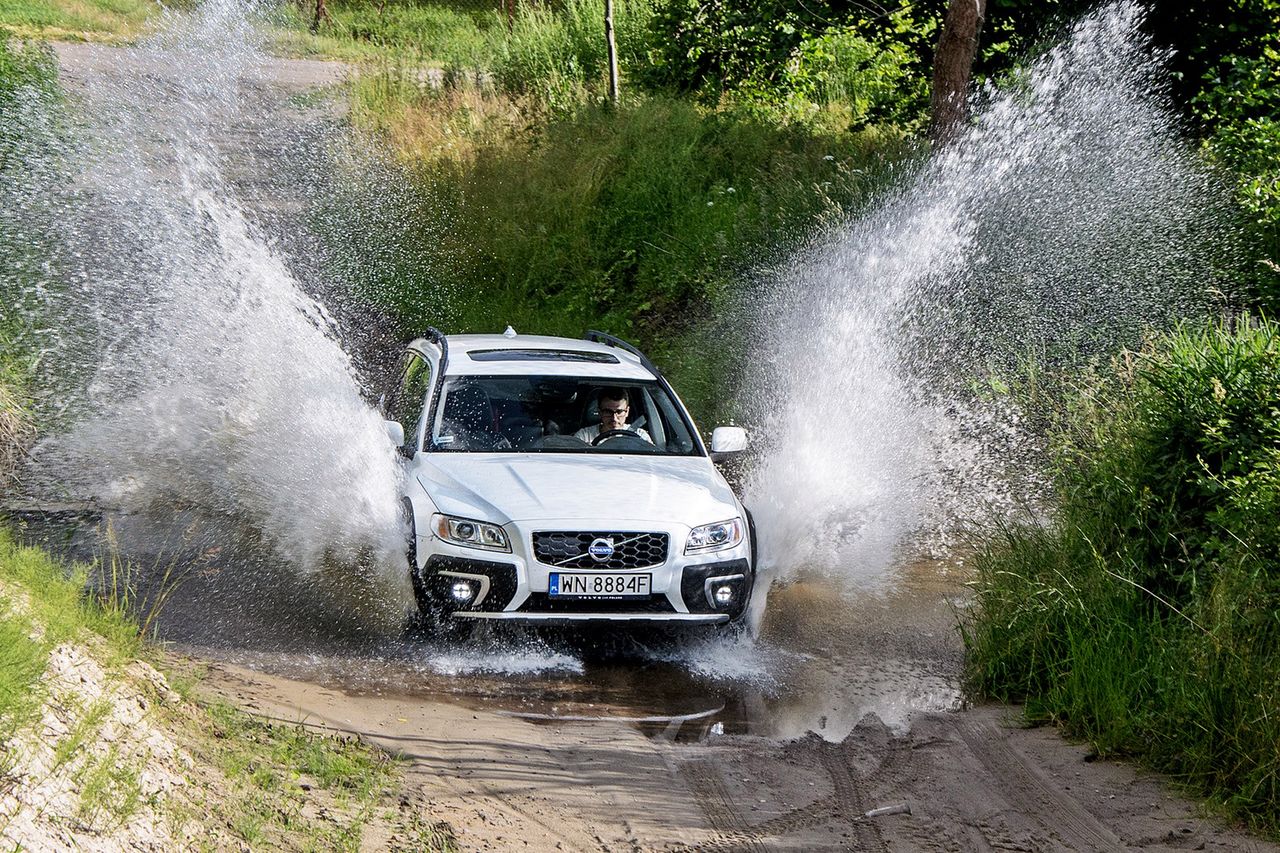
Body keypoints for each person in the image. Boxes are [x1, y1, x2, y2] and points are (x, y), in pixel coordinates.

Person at [573, 388, 652, 445]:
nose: (614, 418)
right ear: (600, 412)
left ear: (627, 412)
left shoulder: (640, 436)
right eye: (608, 412)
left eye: (619, 412)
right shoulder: (584, 436)